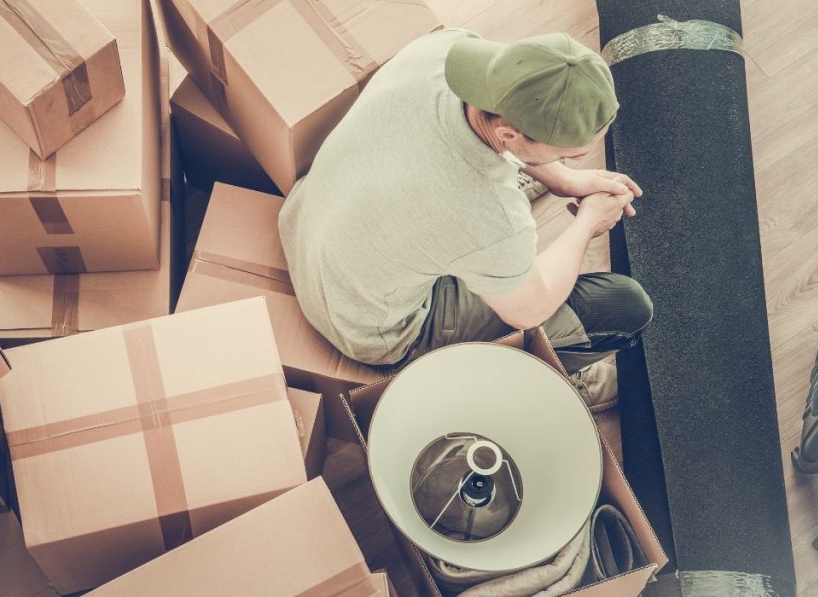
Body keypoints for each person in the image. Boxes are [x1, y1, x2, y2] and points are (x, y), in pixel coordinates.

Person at [278, 29, 653, 411]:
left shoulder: (441, 50)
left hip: (306, 223)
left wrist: (564, 179)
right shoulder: (491, 215)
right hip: (363, 327)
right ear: (508, 135)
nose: (576, 160)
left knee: (475, 229)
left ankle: (496, 211)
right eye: (570, 156)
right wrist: (587, 223)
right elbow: (531, 309)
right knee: (625, 307)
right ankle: (547, 375)